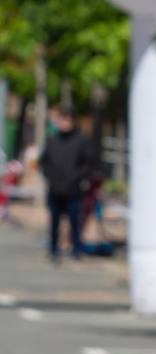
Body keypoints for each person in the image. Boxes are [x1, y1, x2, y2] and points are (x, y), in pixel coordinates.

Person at [38, 106, 97, 264]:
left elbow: (88, 164)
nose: (64, 123)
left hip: (73, 189)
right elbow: (44, 162)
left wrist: (78, 178)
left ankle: (76, 249)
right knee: (54, 221)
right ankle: (53, 249)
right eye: (62, 119)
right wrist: (50, 176)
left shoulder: (81, 141)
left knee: (75, 220)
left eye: (67, 120)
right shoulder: (52, 140)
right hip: (55, 188)